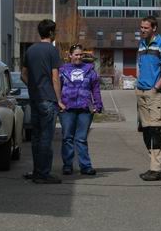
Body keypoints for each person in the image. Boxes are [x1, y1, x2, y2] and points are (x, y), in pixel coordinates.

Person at [21, 19, 66, 184]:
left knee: (36, 137)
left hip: (35, 99)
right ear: (51, 33)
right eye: (55, 31)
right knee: (46, 137)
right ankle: (43, 174)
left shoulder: (31, 50)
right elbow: (55, 78)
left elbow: (23, 75)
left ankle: (36, 171)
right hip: (48, 99)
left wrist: (34, 87)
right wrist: (59, 100)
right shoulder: (52, 50)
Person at [136, 16, 161, 181]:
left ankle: (157, 169)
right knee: (146, 131)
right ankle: (154, 165)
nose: (142, 30)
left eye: (146, 28)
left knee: (156, 130)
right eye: (141, 27)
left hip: (155, 94)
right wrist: (138, 86)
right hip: (141, 92)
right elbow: (140, 65)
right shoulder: (142, 44)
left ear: (154, 28)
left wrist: (156, 88)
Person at [59, 44, 103, 176]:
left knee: (81, 139)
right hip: (67, 108)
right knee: (67, 138)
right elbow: (56, 87)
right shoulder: (62, 70)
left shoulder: (90, 70)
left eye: (81, 54)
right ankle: (67, 166)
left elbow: (95, 89)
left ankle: (86, 166)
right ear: (70, 55)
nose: (78, 57)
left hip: (85, 109)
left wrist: (98, 104)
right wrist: (58, 103)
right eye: (76, 54)